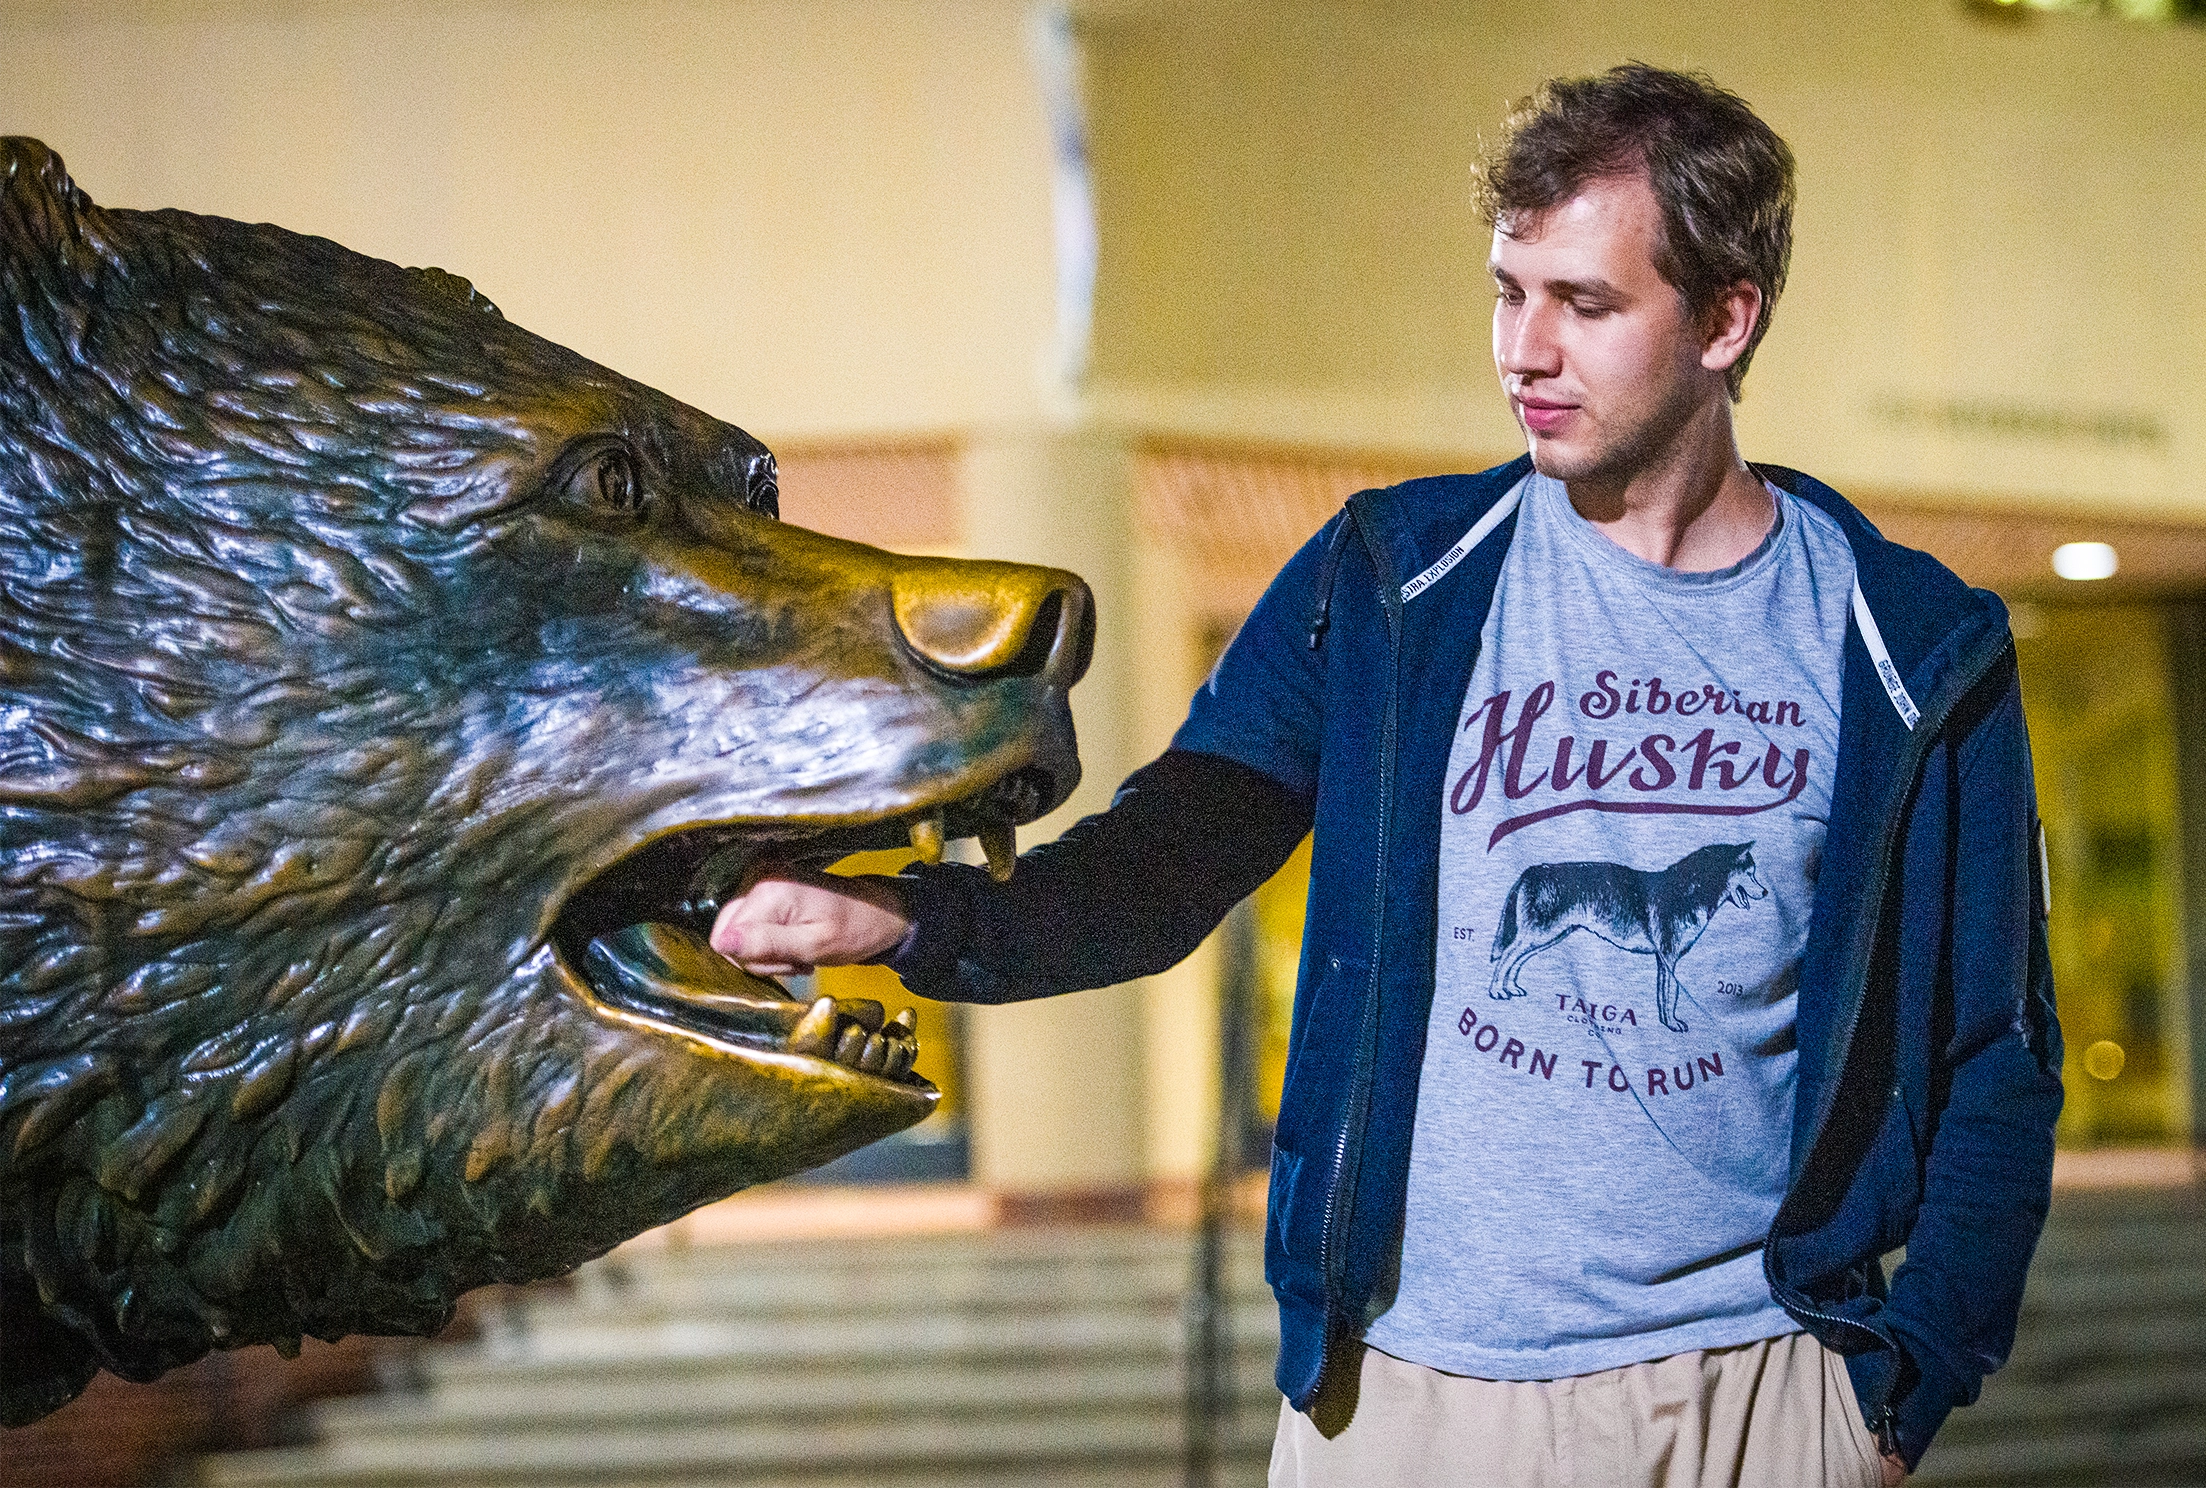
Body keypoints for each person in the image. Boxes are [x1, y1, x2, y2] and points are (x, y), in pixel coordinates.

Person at [708, 64, 2062, 1488]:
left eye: (1583, 305)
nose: (1522, 351)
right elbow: (1165, 863)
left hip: (1753, 1396)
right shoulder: (1390, 581)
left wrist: (1897, 1397)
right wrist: (908, 921)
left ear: (1726, 319)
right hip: (1411, 1402)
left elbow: (1995, 1049)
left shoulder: (1909, 645)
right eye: (1506, 289)